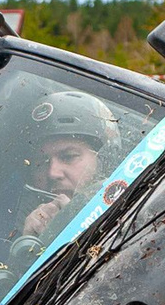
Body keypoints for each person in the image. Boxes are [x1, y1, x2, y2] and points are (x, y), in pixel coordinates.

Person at [15, 89, 120, 252]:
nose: (53, 173)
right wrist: (31, 245)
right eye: (40, 163)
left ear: (104, 159)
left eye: (69, 157)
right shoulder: (28, 230)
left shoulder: (141, 196)